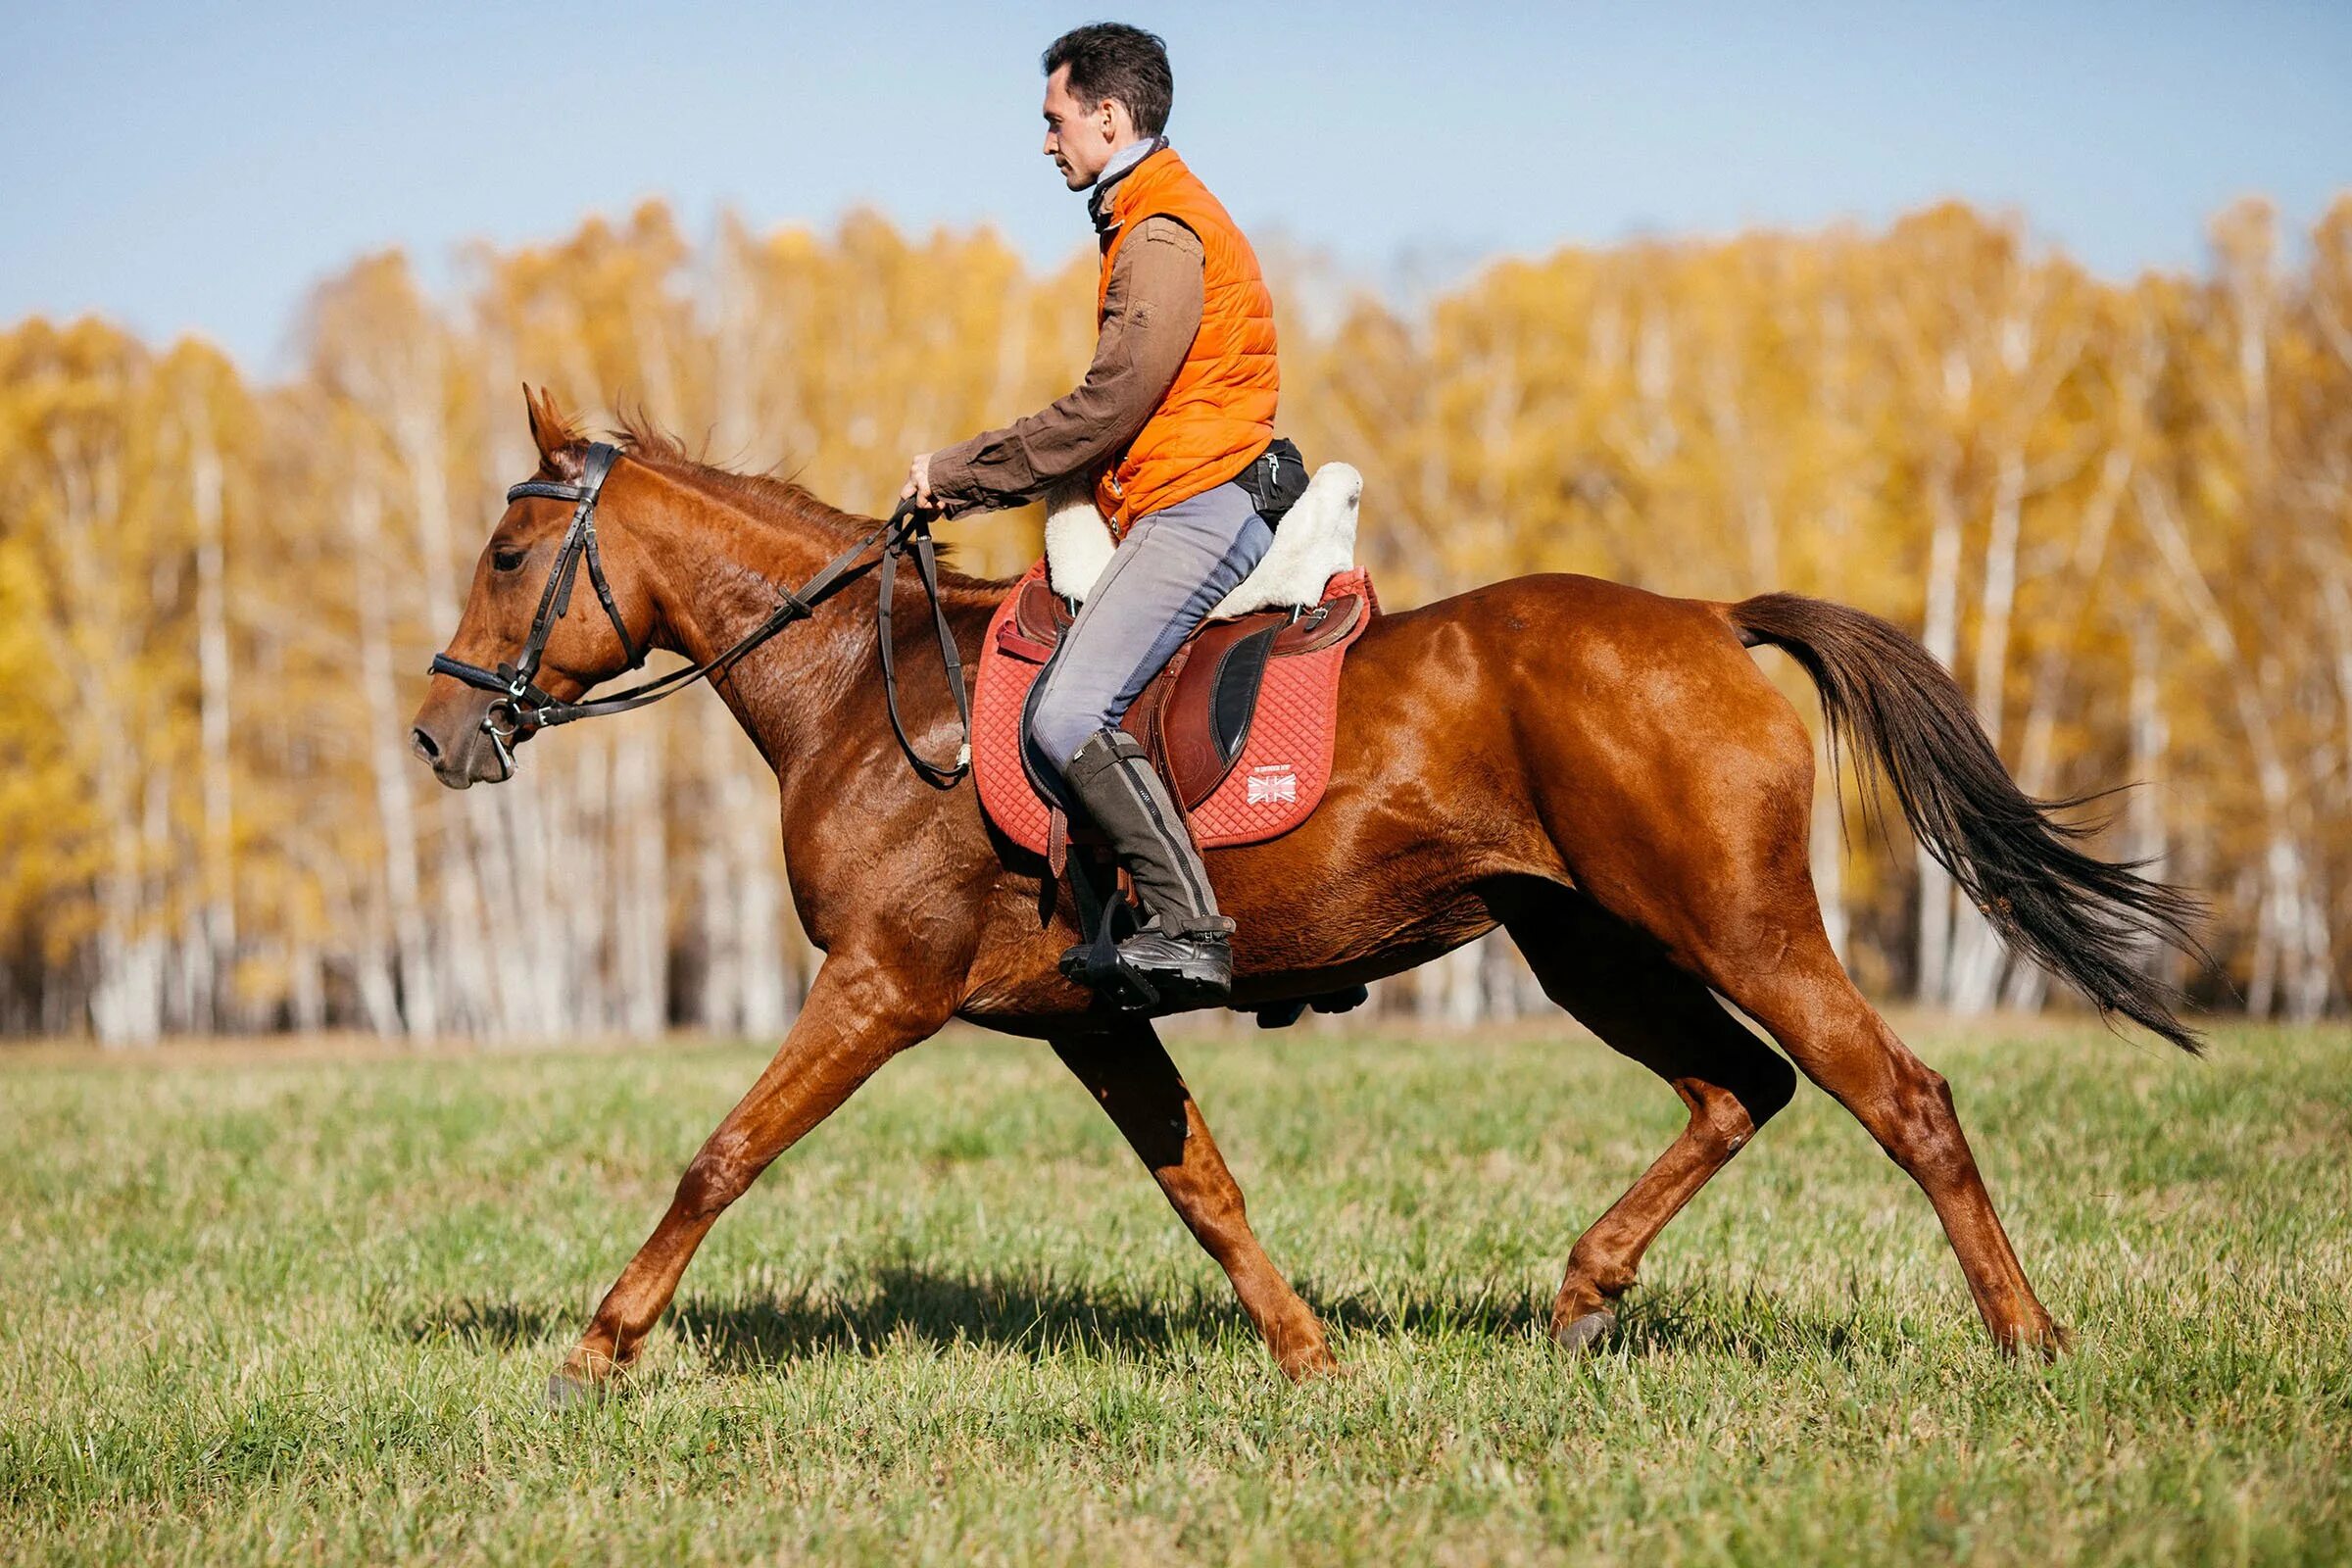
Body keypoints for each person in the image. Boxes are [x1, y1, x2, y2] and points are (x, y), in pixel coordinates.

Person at [903, 23, 1279, 1005]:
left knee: (1067, 710)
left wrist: (962, 473)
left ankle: (1192, 927)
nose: (1045, 142)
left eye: (1055, 119)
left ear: (1107, 118)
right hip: (1182, 488)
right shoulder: (1143, 215)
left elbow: (1110, 404)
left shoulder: (1160, 231)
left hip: (1195, 500)